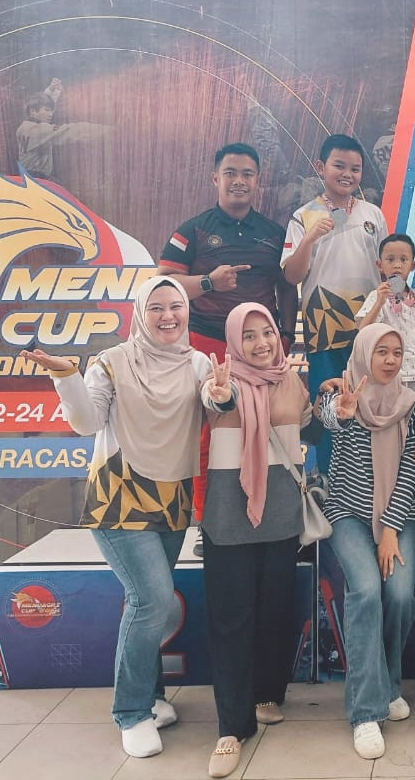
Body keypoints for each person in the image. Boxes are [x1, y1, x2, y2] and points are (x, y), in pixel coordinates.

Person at [21, 276, 224, 759]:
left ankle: (151, 698)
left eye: (176, 306)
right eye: (157, 308)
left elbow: (214, 405)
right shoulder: (111, 361)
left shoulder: (199, 363)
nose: (168, 316)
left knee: (151, 603)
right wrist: (66, 377)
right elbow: (86, 423)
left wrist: (221, 394)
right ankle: (131, 711)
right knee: (151, 599)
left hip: (173, 498)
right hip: (118, 495)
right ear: (140, 313)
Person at [158, 142, 295, 551]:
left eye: (247, 174)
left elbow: (288, 287)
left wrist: (285, 336)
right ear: (215, 178)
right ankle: (206, 522)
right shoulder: (193, 229)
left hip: (262, 350)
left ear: (258, 181)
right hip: (208, 344)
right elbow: (163, 284)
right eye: (231, 173)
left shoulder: (275, 233)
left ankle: (268, 518)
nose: (239, 181)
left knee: (268, 430)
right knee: (208, 437)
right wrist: (208, 283)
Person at [199, 303, 311, 778]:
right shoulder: (218, 381)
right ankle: (231, 728)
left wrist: (337, 408)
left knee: (274, 611)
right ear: (233, 341)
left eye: (267, 332)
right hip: (229, 520)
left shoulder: (291, 380)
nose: (261, 343)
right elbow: (217, 401)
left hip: (281, 517)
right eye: (249, 336)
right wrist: (223, 392)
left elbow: (311, 424)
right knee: (231, 620)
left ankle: (267, 693)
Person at [317, 324, 415, 759]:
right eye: (381, 351)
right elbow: (329, 417)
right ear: (364, 353)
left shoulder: (411, 403)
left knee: (398, 594)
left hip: (398, 516)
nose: (390, 360)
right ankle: (365, 712)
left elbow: (411, 470)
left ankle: (388, 684)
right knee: (365, 591)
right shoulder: (344, 394)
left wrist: (391, 529)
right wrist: (340, 412)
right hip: (347, 514)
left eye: (396, 352)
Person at [282, 133, 388, 462]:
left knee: (370, 401)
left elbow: (387, 267)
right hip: (324, 329)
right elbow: (292, 276)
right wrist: (309, 239)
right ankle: (329, 476)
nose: (347, 174)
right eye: (339, 166)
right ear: (321, 167)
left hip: (368, 328)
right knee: (329, 404)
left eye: (355, 169)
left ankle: (370, 474)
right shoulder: (304, 216)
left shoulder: (373, 214)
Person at [356, 233, 415, 392]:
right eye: (390, 260)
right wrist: (379, 302)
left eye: (403, 260)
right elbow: (363, 330)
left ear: (413, 265)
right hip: (389, 373)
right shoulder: (376, 296)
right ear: (379, 265)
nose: (397, 265)